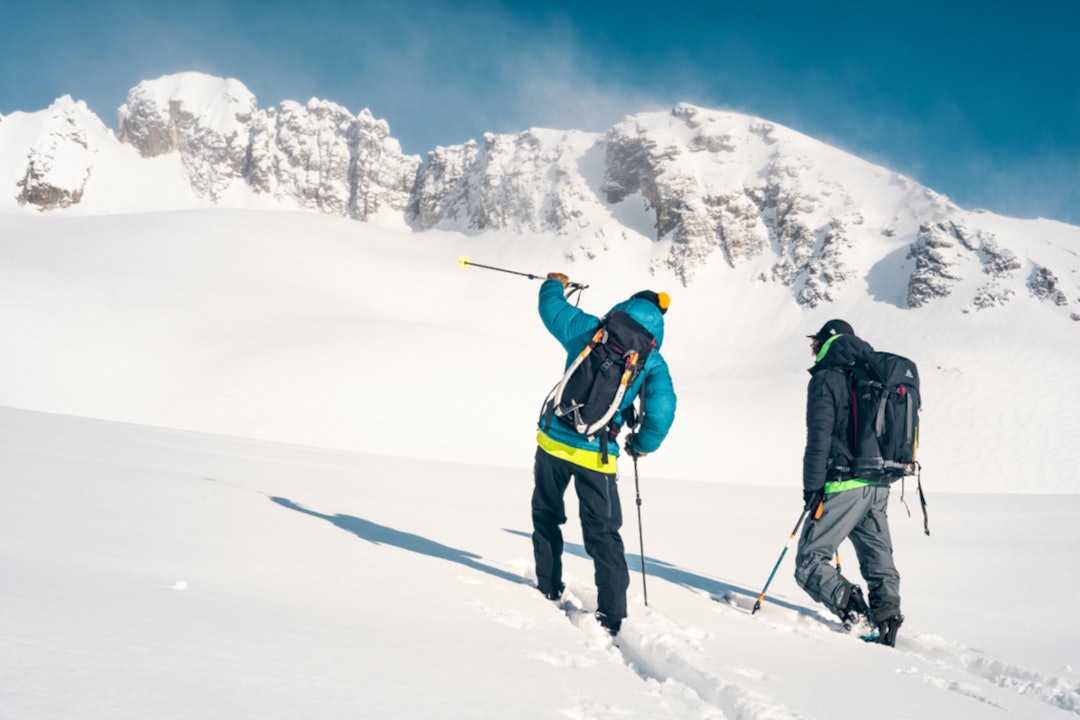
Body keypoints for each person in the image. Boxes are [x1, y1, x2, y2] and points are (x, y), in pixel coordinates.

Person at [531, 273, 677, 636]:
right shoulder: (651, 361)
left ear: (626, 306)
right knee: (603, 534)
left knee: (546, 516)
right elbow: (662, 411)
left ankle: (548, 588)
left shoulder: (590, 329)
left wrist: (554, 283)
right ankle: (611, 616)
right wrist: (641, 444)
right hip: (597, 455)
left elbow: (550, 308)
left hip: (553, 442)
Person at [794, 319, 904, 646]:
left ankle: (858, 616)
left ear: (823, 342)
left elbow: (819, 437)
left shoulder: (827, 377)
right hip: (879, 483)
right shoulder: (872, 373)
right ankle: (888, 619)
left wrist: (813, 488)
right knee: (878, 558)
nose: (813, 349)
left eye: (814, 344)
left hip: (844, 484)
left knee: (809, 562)